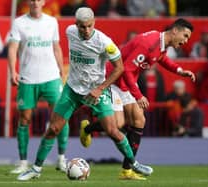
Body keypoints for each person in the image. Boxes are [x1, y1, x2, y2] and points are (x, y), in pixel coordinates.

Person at [17, 7, 153, 181]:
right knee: (53, 128)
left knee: (112, 130)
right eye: (82, 27)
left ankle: (133, 163)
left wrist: (101, 88)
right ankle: (35, 169)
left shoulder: (105, 43)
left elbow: (120, 68)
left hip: (97, 92)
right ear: (76, 25)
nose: (86, 30)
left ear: (94, 23)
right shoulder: (69, 32)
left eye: (89, 26)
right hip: (73, 89)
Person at [80, 18, 195, 179]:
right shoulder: (149, 43)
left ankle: (127, 170)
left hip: (126, 82)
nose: (185, 41)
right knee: (118, 124)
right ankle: (87, 129)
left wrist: (180, 70)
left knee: (139, 120)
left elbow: (161, 59)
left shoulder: (161, 44)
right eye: (185, 35)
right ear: (175, 31)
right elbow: (125, 69)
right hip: (113, 80)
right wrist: (139, 95)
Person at [8, 0, 69, 174]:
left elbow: (56, 47)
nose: (35, 2)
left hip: (51, 77)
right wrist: (13, 70)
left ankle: (61, 159)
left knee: (61, 116)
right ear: (28, 2)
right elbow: (13, 48)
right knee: (25, 119)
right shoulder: (19, 23)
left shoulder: (52, 22)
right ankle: (23, 163)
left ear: (43, 2)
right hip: (28, 78)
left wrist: (61, 71)